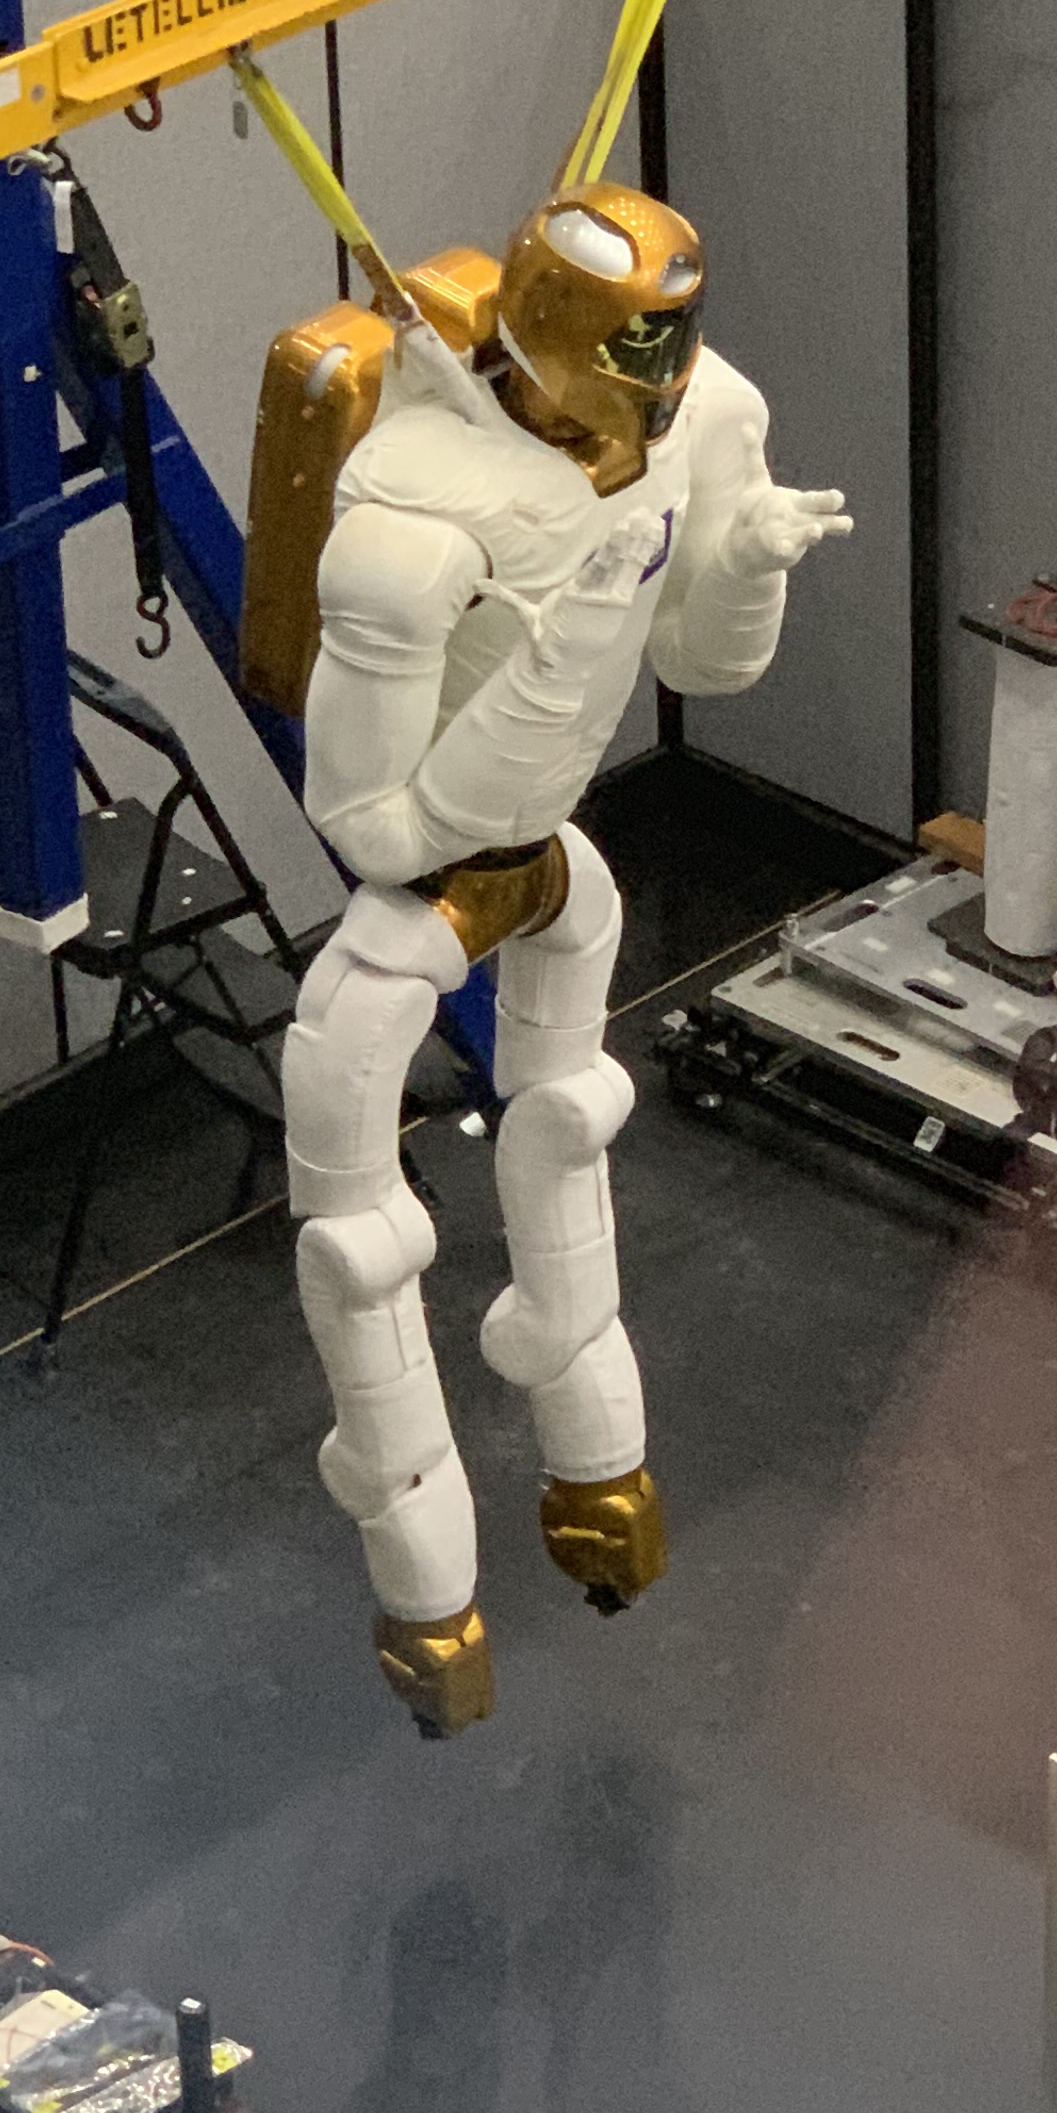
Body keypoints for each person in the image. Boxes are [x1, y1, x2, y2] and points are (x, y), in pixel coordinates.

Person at [283, 186, 848, 1736]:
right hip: (425, 881)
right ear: (556, 338)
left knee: (570, 1123)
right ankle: (425, 1587)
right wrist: (539, 680)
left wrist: (749, 557)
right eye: (634, 347)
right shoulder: (413, 517)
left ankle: (600, 1477)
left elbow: (702, 662)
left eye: (678, 341)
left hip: (551, 865)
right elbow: (371, 819)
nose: (663, 382)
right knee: (360, 1247)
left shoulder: (705, 418)